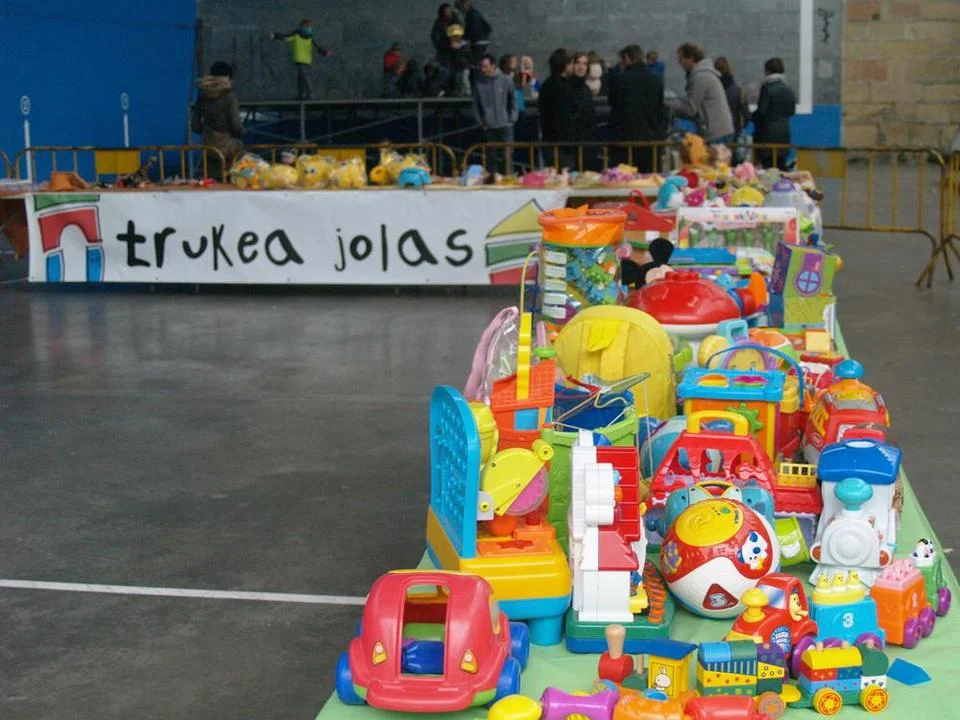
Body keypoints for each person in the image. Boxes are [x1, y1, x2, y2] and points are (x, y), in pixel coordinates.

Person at [608, 44, 667, 173]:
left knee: (624, 180)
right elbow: (660, 108)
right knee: (650, 180)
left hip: (624, 142)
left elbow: (613, 103)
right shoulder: (656, 79)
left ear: (627, 58)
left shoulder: (619, 80)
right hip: (650, 141)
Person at [667, 43, 735, 145]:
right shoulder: (705, 74)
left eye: (681, 59)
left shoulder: (700, 77)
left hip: (715, 134)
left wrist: (667, 103)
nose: (679, 63)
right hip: (721, 130)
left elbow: (690, 108)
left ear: (690, 58)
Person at [191, 61, 243, 178]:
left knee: (210, 179)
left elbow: (195, 125)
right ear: (229, 77)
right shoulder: (229, 96)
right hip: (229, 146)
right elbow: (236, 125)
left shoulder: (203, 94)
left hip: (209, 145)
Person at [473, 53, 518, 174]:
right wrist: (480, 122)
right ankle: (493, 179)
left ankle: (508, 178)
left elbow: (514, 99)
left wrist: (512, 118)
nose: (483, 70)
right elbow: (476, 105)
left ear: (493, 66)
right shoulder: (479, 83)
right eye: (481, 67)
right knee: (491, 157)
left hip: (505, 124)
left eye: (485, 66)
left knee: (507, 156)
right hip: (489, 126)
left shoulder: (506, 80)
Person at [753, 57, 796, 170]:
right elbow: (792, 111)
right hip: (784, 133)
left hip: (767, 134)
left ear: (767, 71)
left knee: (768, 168)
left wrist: (751, 117)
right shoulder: (788, 88)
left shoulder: (767, 88)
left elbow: (762, 112)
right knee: (781, 166)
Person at [272, 19, 332, 100]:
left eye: (310, 27)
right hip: (301, 59)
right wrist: (276, 36)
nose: (308, 29)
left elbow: (317, 47)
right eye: (307, 27)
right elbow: (285, 37)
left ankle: (309, 92)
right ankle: (302, 94)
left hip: (304, 60)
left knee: (303, 77)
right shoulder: (297, 35)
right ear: (301, 27)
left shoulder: (308, 37)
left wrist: (324, 52)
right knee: (302, 77)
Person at [538, 49, 577, 168]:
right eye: (571, 63)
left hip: (549, 140)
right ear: (565, 65)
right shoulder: (562, 87)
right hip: (561, 144)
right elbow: (562, 117)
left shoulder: (547, 85)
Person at [714, 57, 748, 161]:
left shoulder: (712, 91)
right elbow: (746, 114)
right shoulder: (738, 90)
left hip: (716, 134)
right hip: (735, 132)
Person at [570, 51, 597, 167]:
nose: (581, 67)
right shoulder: (566, 87)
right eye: (578, 63)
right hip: (571, 143)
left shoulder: (586, 89)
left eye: (585, 64)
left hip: (587, 142)